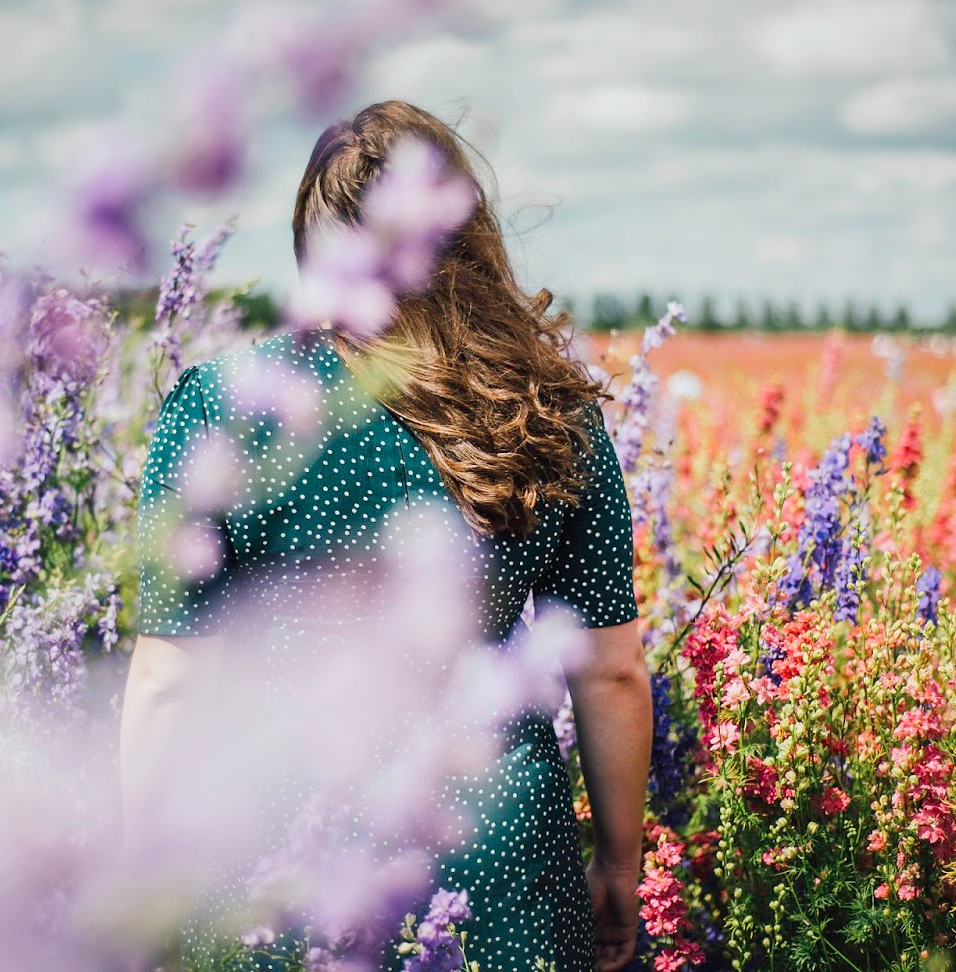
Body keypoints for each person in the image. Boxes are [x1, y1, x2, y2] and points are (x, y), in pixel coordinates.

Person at [121, 100, 654, 972]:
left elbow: (170, 678)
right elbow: (611, 670)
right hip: (499, 855)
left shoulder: (226, 404)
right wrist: (618, 864)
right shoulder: (548, 412)